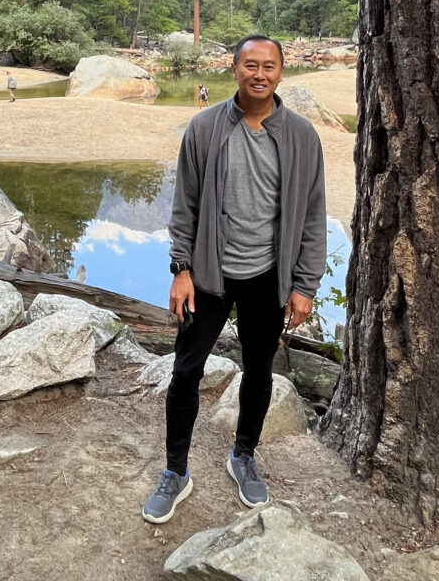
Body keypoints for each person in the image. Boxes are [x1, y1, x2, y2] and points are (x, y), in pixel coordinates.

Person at [142, 34, 326, 524]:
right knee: (185, 371)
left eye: (269, 66)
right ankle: (175, 471)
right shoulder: (204, 128)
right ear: (235, 69)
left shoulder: (302, 136)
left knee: (260, 371)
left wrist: (305, 284)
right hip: (207, 273)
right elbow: (186, 206)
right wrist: (180, 268)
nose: (259, 74)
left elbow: (312, 215)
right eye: (251, 65)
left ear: (281, 73)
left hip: (268, 276)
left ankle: (243, 455)